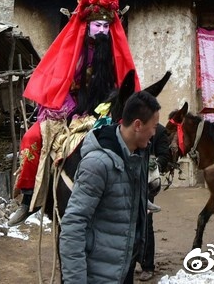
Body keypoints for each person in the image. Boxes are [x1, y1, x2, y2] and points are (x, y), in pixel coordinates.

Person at [9, 0, 140, 226]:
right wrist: (72, 109)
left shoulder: (113, 52)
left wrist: (109, 106)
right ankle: (28, 200)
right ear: (87, 25)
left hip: (102, 110)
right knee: (31, 138)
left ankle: (139, 193)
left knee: (136, 138)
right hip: (66, 109)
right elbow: (59, 82)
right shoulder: (71, 50)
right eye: (97, 25)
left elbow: (120, 83)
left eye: (105, 26)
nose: (101, 31)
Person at [59, 91, 160, 284]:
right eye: (154, 127)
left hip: (121, 269)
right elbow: (73, 226)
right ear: (138, 125)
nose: (155, 133)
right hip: (98, 275)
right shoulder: (98, 164)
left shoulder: (134, 158)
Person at [135, 122, 173, 281]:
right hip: (127, 179)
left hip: (147, 182)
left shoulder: (159, 131)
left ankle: (147, 265)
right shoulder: (130, 127)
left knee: (145, 221)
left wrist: (155, 164)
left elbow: (165, 156)